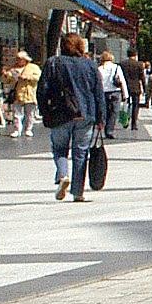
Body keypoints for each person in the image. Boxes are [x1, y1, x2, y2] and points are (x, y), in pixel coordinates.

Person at [38, 32, 105, 201]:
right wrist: (101, 118)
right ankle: (78, 192)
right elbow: (98, 93)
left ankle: (62, 176)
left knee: (59, 149)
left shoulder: (53, 63)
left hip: (60, 114)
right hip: (85, 114)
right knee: (80, 153)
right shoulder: (90, 65)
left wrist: (45, 111)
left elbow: (42, 90)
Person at [2, 50, 41, 138]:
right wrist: (5, 75)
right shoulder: (13, 69)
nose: (18, 61)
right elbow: (7, 81)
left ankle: (28, 129)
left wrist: (26, 77)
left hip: (29, 94)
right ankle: (17, 130)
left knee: (30, 114)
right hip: (18, 94)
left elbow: (38, 77)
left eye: (20, 59)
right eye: (17, 59)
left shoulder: (33, 67)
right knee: (17, 114)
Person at [96, 50, 128, 140]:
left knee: (104, 111)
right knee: (114, 112)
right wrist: (125, 94)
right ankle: (109, 130)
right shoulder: (116, 67)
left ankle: (103, 126)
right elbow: (122, 81)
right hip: (115, 92)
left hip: (103, 92)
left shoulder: (99, 69)